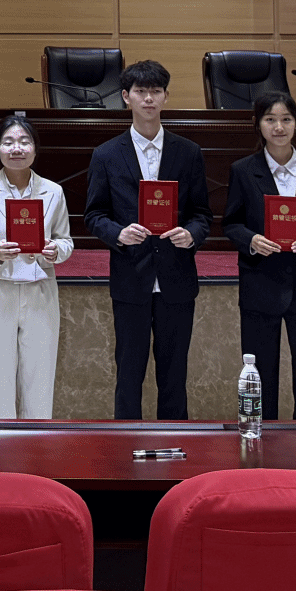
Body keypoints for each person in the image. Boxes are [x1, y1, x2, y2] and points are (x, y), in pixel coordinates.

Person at [82, 59, 212, 420]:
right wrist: (118, 233)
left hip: (176, 277)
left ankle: (176, 442)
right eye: (141, 91)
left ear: (166, 96)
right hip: (131, 278)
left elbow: (202, 214)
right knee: (128, 373)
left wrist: (191, 234)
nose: (149, 99)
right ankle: (126, 443)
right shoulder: (106, 154)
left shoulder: (188, 152)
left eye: (156, 91)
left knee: (174, 374)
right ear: (126, 97)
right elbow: (94, 215)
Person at [223, 92, 296, 421]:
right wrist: (251, 240)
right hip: (261, 280)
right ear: (258, 125)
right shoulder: (243, 170)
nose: (279, 127)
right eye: (270, 119)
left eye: (286, 119)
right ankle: (261, 432)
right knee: (259, 370)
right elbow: (231, 223)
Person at [0, 113, 73, 419]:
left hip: (41, 289)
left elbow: (66, 240)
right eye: (8, 142)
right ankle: (0, 445)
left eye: (24, 141)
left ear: (35, 148)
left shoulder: (54, 191)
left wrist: (55, 251)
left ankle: (37, 442)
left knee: (39, 379)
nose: (16, 148)